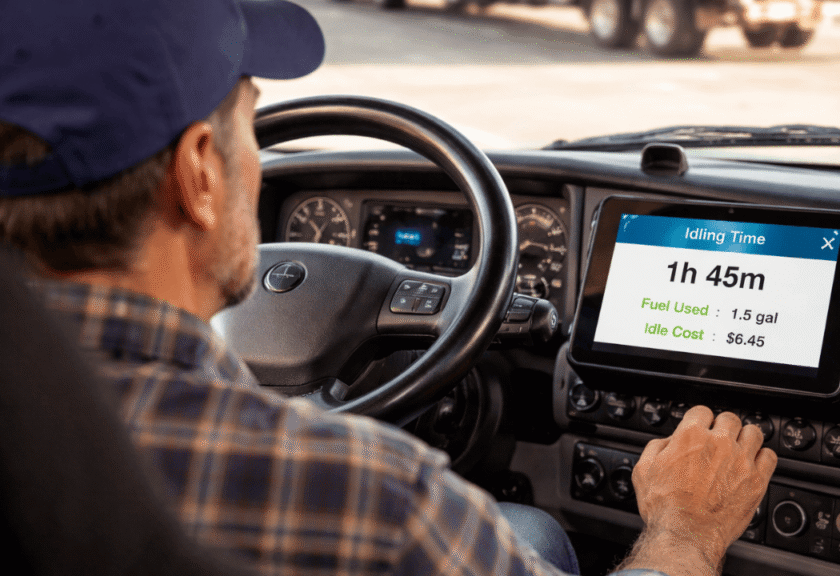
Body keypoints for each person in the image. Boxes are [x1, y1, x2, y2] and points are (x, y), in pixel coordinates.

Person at [0, 1, 777, 576]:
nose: (258, 163)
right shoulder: (370, 502)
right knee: (531, 536)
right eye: (247, 122)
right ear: (200, 173)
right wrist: (684, 528)